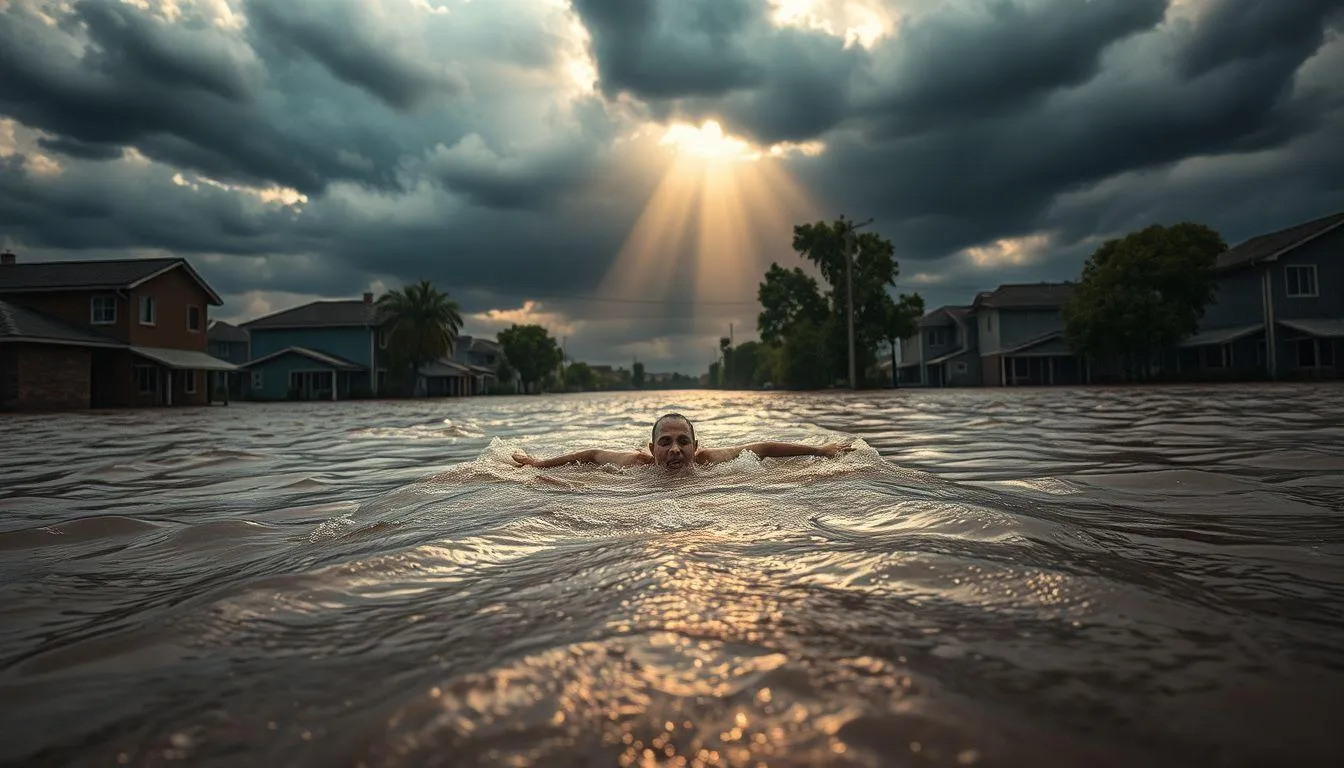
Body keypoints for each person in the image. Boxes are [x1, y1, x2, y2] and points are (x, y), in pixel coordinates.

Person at [511, 412, 854, 473]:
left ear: (695, 445)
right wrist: (538, 465)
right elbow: (589, 455)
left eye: (682, 442)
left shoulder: (709, 460)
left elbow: (763, 448)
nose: (674, 449)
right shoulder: (635, 464)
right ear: (651, 449)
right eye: (665, 442)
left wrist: (820, 451)